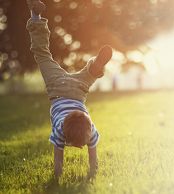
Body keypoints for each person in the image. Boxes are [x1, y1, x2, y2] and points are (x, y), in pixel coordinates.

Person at [26, 0, 113, 178]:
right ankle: (36, 16)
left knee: (84, 74)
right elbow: (86, 161)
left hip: (78, 91)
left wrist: (59, 178)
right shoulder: (61, 130)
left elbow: (62, 164)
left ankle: (94, 69)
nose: (81, 146)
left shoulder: (87, 130)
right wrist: (91, 175)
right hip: (58, 89)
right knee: (42, 54)